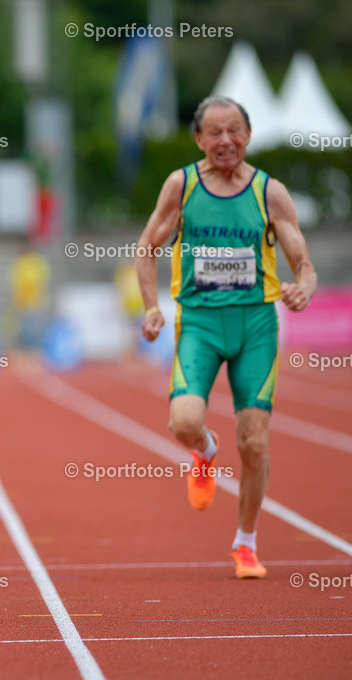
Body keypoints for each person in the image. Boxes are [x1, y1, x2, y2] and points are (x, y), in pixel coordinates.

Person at [135, 96, 317, 579]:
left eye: (234, 130)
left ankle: (245, 543)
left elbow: (303, 263)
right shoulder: (182, 186)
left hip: (256, 325)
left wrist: (303, 288)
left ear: (248, 135)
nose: (225, 141)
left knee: (254, 441)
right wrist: (151, 307)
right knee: (183, 422)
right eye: (214, 132)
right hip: (199, 322)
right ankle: (205, 450)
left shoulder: (269, 192)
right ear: (199, 139)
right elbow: (147, 246)